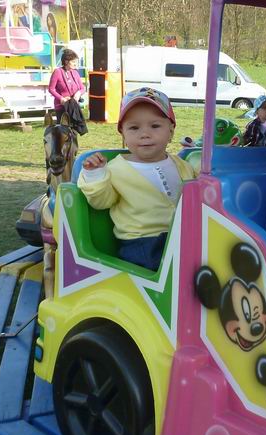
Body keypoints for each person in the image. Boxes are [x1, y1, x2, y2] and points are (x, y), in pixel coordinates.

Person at [77, 87, 195, 271]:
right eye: (134, 128)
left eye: (155, 126)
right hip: (143, 242)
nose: (145, 134)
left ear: (171, 131)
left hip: (184, 235)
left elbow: (196, 194)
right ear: (123, 135)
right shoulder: (115, 169)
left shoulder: (181, 165)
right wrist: (95, 174)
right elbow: (101, 202)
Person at [48, 49, 85, 123]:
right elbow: (51, 89)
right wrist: (61, 99)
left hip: (74, 107)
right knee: (63, 129)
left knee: (76, 128)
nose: (75, 64)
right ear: (66, 62)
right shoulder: (57, 72)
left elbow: (82, 88)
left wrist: (78, 93)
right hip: (62, 107)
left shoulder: (75, 73)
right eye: (73, 62)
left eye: (76, 62)